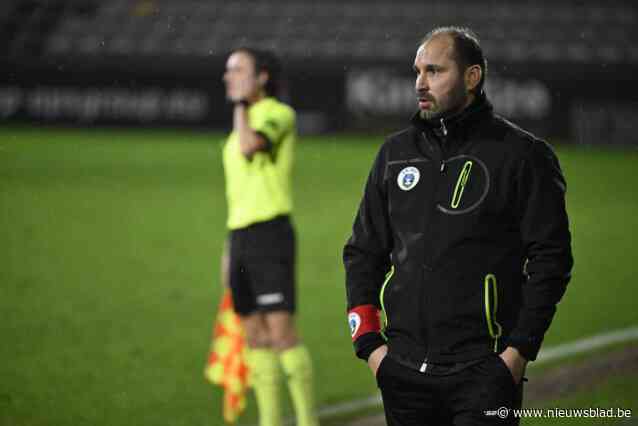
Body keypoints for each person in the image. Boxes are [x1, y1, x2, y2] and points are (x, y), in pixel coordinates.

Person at [343, 27, 573, 425]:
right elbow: (363, 251)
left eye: (434, 71)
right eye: (417, 71)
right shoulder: (394, 154)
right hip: (403, 371)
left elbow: (551, 259)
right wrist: (369, 345)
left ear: (472, 77)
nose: (420, 83)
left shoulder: (522, 155)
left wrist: (516, 354)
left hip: (484, 373)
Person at [221, 47, 319, 426]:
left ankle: (309, 421)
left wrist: (242, 106)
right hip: (240, 236)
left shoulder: (278, 114)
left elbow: (249, 147)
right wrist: (228, 253)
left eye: (237, 70)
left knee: (281, 334)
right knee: (254, 336)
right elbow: (238, 194)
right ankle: (270, 421)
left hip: (270, 235)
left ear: (262, 76)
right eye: (228, 70)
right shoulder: (241, 119)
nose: (228, 77)